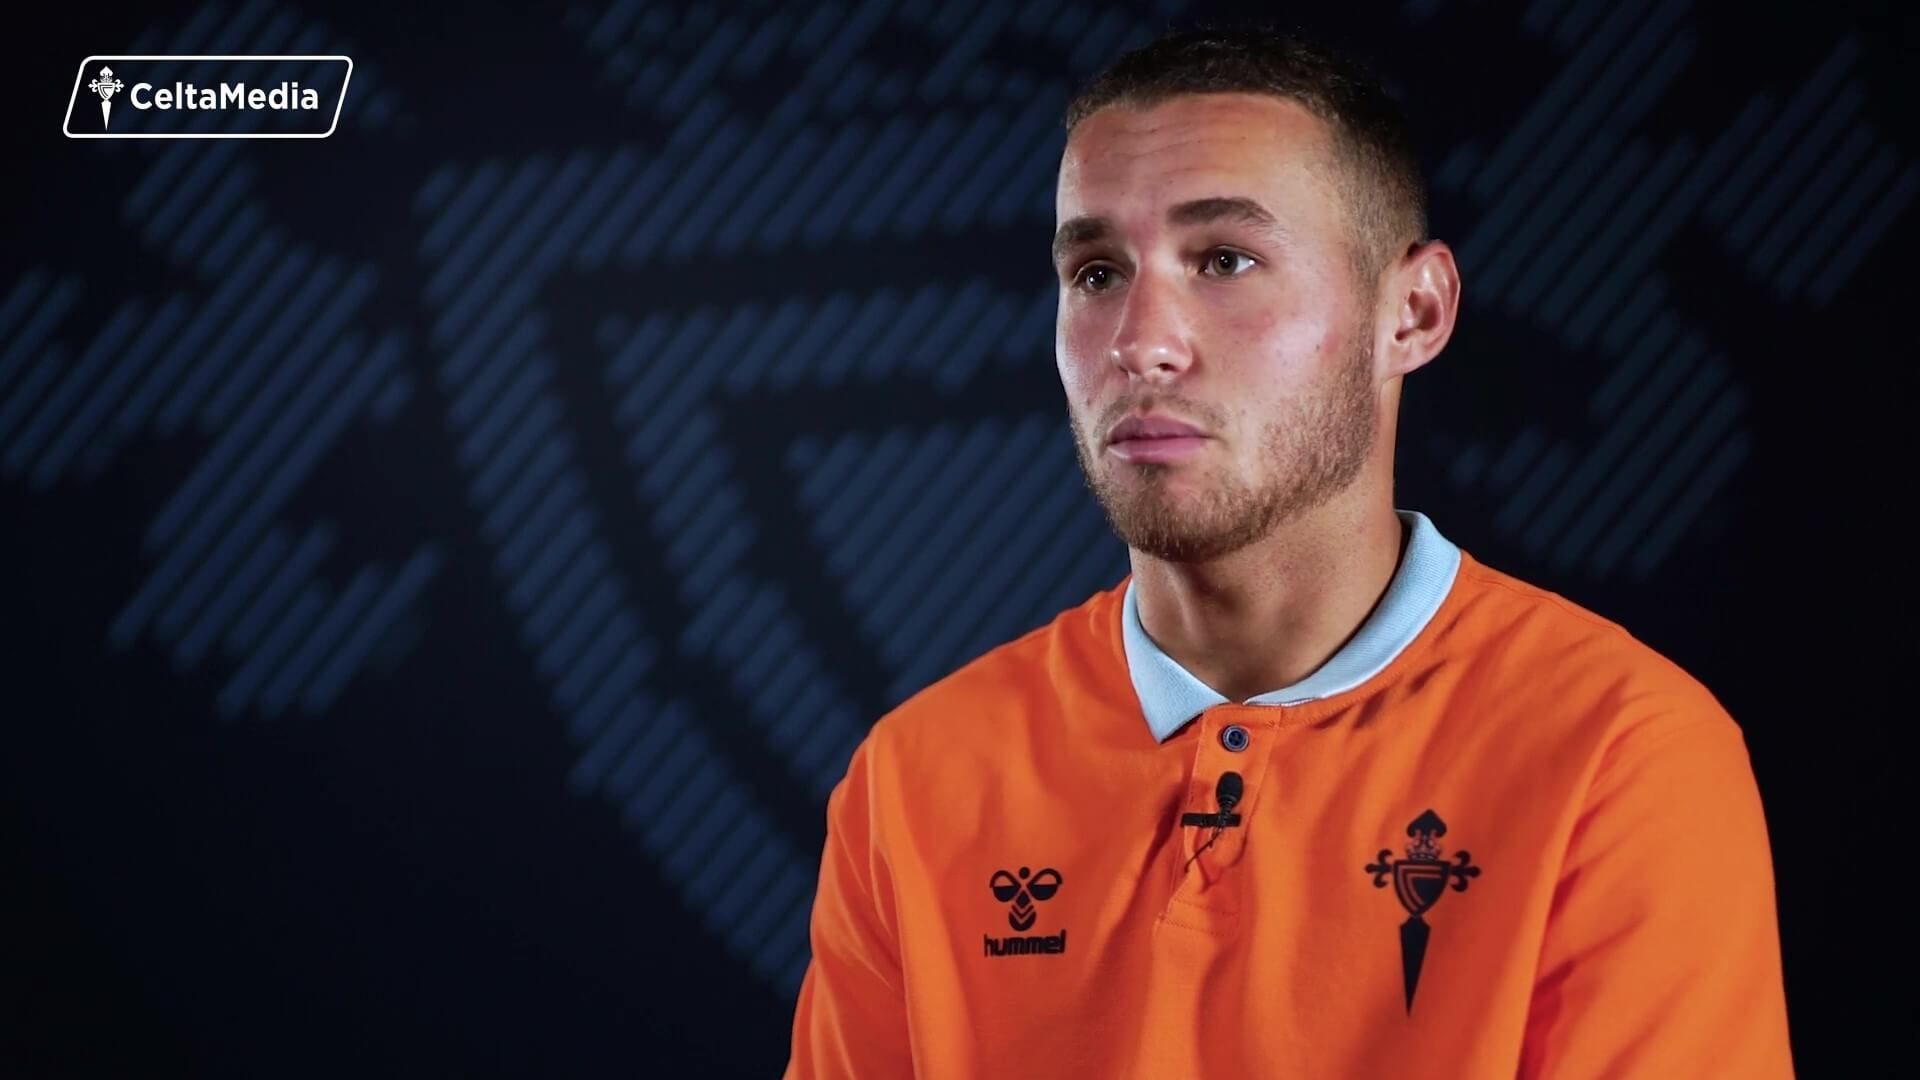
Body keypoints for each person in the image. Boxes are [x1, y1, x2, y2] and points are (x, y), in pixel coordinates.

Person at [783, 24, 1793, 1079]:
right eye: (1096, 271)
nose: (1140, 341)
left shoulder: (1619, 753)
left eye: (1225, 260)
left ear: (1414, 313)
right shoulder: (915, 778)